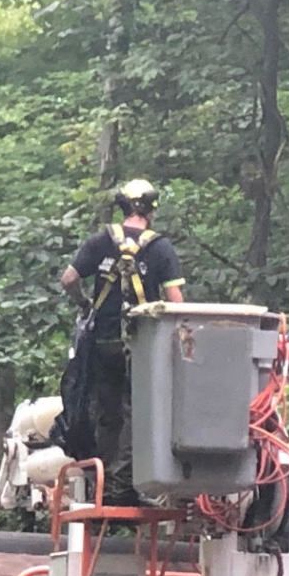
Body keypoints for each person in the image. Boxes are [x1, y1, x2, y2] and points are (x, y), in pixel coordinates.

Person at [57, 178, 185, 505]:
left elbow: (69, 279)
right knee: (137, 411)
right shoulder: (160, 248)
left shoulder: (101, 241)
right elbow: (176, 301)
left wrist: (85, 304)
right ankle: (123, 484)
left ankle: (101, 483)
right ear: (151, 210)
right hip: (142, 345)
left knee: (107, 410)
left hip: (101, 341)